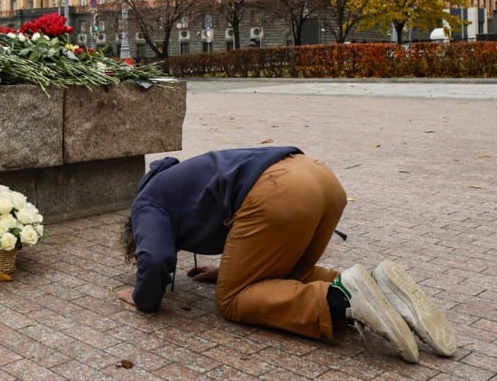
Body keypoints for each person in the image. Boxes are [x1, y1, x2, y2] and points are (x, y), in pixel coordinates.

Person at [117, 146, 456, 363]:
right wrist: (228, 268)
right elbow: (241, 225)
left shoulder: (145, 205)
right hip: (318, 176)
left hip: (280, 191)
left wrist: (143, 295)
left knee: (233, 299)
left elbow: (156, 258)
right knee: (287, 277)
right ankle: (382, 289)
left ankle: (344, 297)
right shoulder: (175, 180)